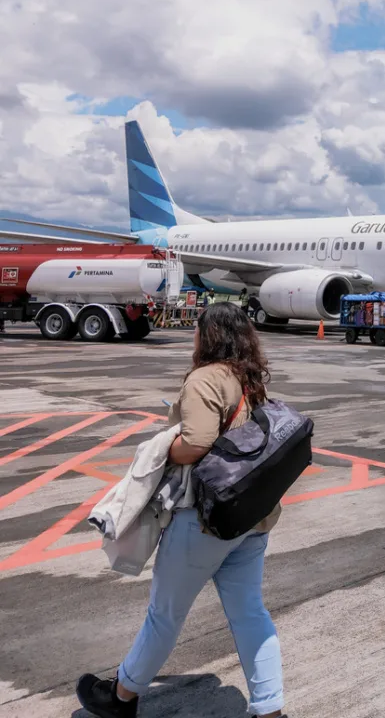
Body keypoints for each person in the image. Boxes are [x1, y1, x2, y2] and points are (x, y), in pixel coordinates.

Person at [76, 302, 287, 718]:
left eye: (196, 329)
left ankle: (121, 696)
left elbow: (197, 442)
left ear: (207, 336)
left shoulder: (206, 378)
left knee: (164, 614)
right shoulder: (249, 378)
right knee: (249, 613)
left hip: (205, 521)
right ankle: (270, 708)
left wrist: (161, 449)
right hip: (251, 517)